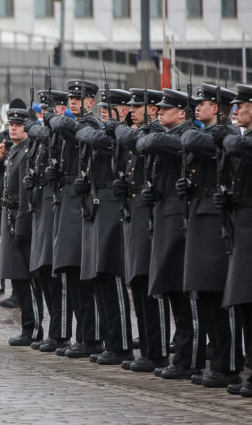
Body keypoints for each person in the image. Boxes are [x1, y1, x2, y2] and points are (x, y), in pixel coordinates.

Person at [179, 83, 242, 388]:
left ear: (216, 107)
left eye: (202, 104)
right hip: (199, 214)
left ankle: (228, 364)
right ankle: (216, 360)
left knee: (219, 294)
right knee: (203, 293)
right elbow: (192, 143)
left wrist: (210, 134)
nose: (196, 108)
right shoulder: (207, 134)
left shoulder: (229, 135)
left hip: (216, 219)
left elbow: (203, 144)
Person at [136, 88, 199, 380]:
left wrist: (146, 135)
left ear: (182, 114)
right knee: (173, 291)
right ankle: (182, 355)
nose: (160, 112)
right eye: (159, 109)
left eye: (166, 109)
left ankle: (188, 358)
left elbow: (155, 142)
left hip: (178, 221)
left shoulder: (185, 136)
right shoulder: (169, 137)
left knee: (185, 295)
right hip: (164, 217)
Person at [114, 88, 171, 373]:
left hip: (148, 213)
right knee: (137, 281)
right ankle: (148, 349)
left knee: (151, 282)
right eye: (132, 105)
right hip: (132, 211)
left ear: (152, 109)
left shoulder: (156, 135)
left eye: (139, 105)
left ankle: (159, 351)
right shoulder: (136, 134)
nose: (132, 109)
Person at [77, 88, 134, 365]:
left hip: (112, 205)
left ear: (123, 112)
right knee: (100, 277)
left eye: (109, 109)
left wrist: (110, 129)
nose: (102, 112)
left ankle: (122, 344)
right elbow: (85, 136)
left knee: (113, 275)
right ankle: (110, 340)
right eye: (102, 108)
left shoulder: (122, 135)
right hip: (97, 204)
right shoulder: (103, 133)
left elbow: (94, 137)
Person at [48, 80, 103, 358]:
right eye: (71, 97)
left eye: (79, 98)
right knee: (70, 269)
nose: (73, 101)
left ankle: (91, 337)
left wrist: (53, 120)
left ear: (91, 102)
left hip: (82, 202)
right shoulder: (68, 123)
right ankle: (82, 335)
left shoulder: (91, 124)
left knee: (84, 273)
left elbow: (72, 131)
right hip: (66, 198)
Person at [24, 89, 72, 353]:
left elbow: (49, 135)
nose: (43, 115)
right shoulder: (40, 136)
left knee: (57, 274)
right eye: (42, 111)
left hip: (55, 207)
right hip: (41, 207)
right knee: (42, 271)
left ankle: (60, 333)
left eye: (47, 110)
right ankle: (54, 331)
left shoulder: (57, 132)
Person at [0, 107, 43, 346]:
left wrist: (22, 224)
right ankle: (27, 328)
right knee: (17, 277)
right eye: (11, 124)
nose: (13, 127)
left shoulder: (27, 153)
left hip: (20, 219)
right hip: (10, 216)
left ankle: (33, 328)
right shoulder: (14, 151)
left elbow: (26, 193)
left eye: (18, 124)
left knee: (28, 278)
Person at [220, 83, 252, 397]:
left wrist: (226, 137)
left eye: (240, 106)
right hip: (240, 224)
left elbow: (240, 147)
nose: (235, 113)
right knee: (243, 301)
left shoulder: (243, 141)